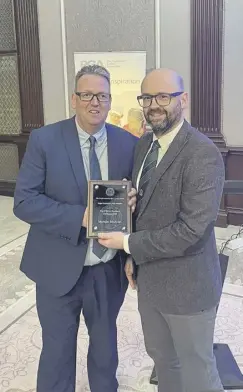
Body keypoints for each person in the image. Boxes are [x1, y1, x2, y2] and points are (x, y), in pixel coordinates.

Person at [98, 68, 225, 392]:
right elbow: (149, 207)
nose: (154, 104)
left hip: (188, 288)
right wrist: (133, 255)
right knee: (163, 360)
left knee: (197, 369)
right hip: (150, 282)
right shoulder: (143, 147)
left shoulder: (202, 153)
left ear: (183, 99)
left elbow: (191, 230)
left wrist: (128, 243)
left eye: (163, 96)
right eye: (147, 97)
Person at [13, 64, 138, 392]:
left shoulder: (127, 143)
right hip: (56, 268)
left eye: (102, 95)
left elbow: (134, 204)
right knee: (56, 352)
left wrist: (133, 202)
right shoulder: (45, 140)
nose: (94, 102)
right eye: (87, 95)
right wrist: (80, 217)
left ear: (110, 101)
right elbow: (24, 201)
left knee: (105, 351)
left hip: (106, 270)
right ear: (74, 99)